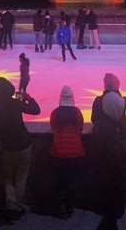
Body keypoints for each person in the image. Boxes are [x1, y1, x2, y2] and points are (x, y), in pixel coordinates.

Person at [90, 73, 126, 229]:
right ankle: (118, 206)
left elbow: (93, 119)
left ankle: (105, 207)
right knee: (121, 173)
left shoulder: (98, 101)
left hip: (102, 141)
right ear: (118, 85)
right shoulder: (123, 100)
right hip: (122, 140)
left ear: (105, 85)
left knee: (105, 173)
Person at [0, 77, 40, 220]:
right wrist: (29, 98)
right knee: (21, 178)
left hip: (8, 147)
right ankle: (19, 206)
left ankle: (11, 206)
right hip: (24, 144)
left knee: (8, 178)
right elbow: (36, 111)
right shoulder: (15, 103)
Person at [50, 86, 85, 219]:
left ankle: (62, 206)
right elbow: (80, 129)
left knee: (60, 181)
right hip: (76, 152)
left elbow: (53, 128)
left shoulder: (55, 113)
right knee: (71, 180)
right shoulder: (77, 113)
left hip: (58, 152)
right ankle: (70, 206)